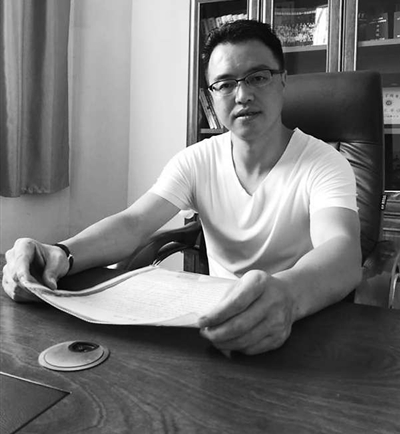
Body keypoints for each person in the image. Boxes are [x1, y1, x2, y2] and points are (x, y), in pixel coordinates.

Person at [2, 20, 362, 356]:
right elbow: (134, 223)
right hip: (219, 324)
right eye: (225, 84)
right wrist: (61, 253)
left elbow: (342, 251)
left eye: (258, 77)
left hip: (301, 324)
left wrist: (288, 296)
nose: (242, 95)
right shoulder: (197, 160)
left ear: (283, 81)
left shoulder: (324, 163)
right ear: (212, 96)